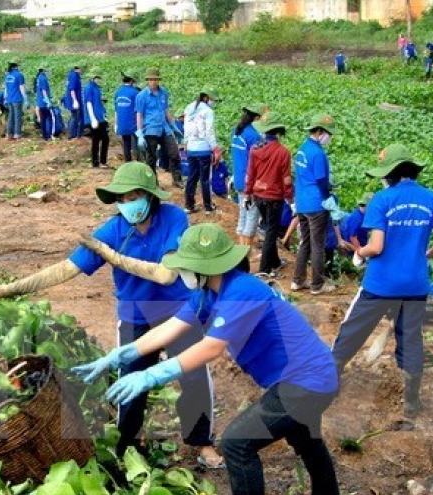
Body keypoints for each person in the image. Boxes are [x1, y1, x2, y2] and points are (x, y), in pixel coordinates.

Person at [0, 161, 222, 466]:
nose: (126, 204)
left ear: (149, 196)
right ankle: (127, 446)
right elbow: (65, 269)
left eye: (132, 196)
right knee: (130, 380)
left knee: (194, 374)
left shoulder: (174, 218)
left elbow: (166, 275)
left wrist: (110, 256)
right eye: (120, 199)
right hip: (135, 315)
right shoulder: (111, 230)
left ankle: (202, 444)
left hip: (178, 311)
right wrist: (10, 288)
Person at [74, 222, 340, 495]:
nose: (181, 272)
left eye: (185, 266)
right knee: (305, 437)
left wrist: (151, 375)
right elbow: (170, 328)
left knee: (238, 443)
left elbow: (211, 348)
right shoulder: (208, 294)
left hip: (307, 382)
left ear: (205, 266)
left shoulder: (241, 292)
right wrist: (122, 354)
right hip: (307, 377)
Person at [331, 143, 433, 418]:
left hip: (381, 284)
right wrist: (426, 254)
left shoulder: (381, 200)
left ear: (390, 174)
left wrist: (361, 252)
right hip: (415, 284)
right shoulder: (431, 198)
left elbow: (376, 246)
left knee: (352, 331)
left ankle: (330, 384)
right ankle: (411, 402)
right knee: (410, 338)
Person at [292, 114, 339, 295]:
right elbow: (320, 179)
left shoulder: (303, 149)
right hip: (316, 203)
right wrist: (328, 197)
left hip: (302, 202)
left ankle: (298, 280)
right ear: (320, 132)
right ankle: (317, 284)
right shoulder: (318, 153)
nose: (330, 137)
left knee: (305, 242)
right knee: (318, 245)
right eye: (329, 133)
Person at [245, 112, 292, 277]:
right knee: (271, 232)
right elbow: (286, 179)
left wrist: (247, 194)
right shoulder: (283, 152)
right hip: (274, 197)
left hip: (258, 194)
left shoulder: (255, 149)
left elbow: (251, 174)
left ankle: (276, 262)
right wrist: (290, 198)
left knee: (268, 227)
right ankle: (264, 269)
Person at [135, 67, 180, 185]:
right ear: (147, 81)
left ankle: (177, 180)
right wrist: (140, 133)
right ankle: (152, 183)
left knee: (174, 152)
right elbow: (139, 115)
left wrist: (173, 125)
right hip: (150, 129)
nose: (153, 82)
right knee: (151, 158)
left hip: (164, 127)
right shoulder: (141, 96)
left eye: (155, 79)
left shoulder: (163, 93)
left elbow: (166, 111)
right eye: (151, 79)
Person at [183, 87, 220, 214]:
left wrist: (186, 142)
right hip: (203, 149)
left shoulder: (189, 107)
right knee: (205, 179)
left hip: (191, 149)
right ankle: (208, 207)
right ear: (206, 97)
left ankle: (189, 205)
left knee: (192, 177)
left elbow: (186, 128)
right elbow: (209, 132)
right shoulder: (208, 111)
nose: (213, 102)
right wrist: (215, 148)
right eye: (213, 99)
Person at [232, 104, 265, 249]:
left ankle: (240, 247)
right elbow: (257, 162)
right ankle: (247, 252)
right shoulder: (253, 136)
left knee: (243, 214)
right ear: (256, 118)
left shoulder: (237, 131)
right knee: (251, 216)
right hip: (250, 181)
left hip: (238, 178)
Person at [83, 67, 109, 167]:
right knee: (97, 139)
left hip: (100, 117)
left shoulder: (96, 87)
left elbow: (97, 101)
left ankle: (100, 161)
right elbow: (89, 103)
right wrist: (93, 118)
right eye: (98, 78)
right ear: (93, 78)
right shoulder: (89, 88)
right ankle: (97, 161)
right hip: (95, 118)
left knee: (103, 139)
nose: (99, 80)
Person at [114, 71, 140, 161]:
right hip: (133, 123)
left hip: (122, 123)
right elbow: (138, 111)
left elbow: (116, 110)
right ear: (132, 81)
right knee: (137, 143)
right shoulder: (136, 93)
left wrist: (116, 124)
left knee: (126, 143)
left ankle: (127, 162)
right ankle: (138, 162)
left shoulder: (118, 93)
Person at [3, 60, 28, 140]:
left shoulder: (8, 75)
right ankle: (17, 134)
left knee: (11, 116)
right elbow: (21, 87)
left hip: (9, 99)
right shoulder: (19, 75)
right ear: (16, 66)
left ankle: (9, 134)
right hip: (17, 99)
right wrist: (25, 98)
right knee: (18, 117)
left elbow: (6, 88)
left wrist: (5, 98)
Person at [35, 67, 55, 141]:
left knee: (43, 119)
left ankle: (44, 136)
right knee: (51, 118)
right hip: (45, 103)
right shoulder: (43, 78)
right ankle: (50, 135)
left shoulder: (39, 77)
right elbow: (43, 90)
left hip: (40, 102)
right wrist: (48, 101)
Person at [65, 65, 83, 140]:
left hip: (73, 99)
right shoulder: (74, 76)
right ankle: (72, 135)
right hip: (73, 100)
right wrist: (75, 100)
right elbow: (72, 89)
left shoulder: (73, 75)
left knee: (74, 116)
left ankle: (72, 133)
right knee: (74, 117)